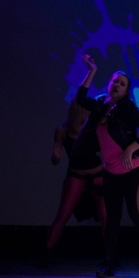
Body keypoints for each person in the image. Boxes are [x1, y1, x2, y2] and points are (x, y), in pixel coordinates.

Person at [75, 54, 139, 278]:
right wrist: (92, 71)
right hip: (111, 171)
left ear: (125, 92)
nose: (117, 85)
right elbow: (81, 98)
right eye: (115, 81)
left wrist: (132, 148)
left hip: (131, 170)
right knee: (112, 218)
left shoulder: (126, 107)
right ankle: (109, 263)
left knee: (137, 215)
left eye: (122, 84)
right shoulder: (101, 105)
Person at [39, 98, 107, 267]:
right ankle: (46, 254)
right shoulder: (62, 130)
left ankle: (110, 255)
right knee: (63, 214)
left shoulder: (93, 127)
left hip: (97, 175)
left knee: (106, 216)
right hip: (76, 176)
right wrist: (56, 157)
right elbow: (55, 159)